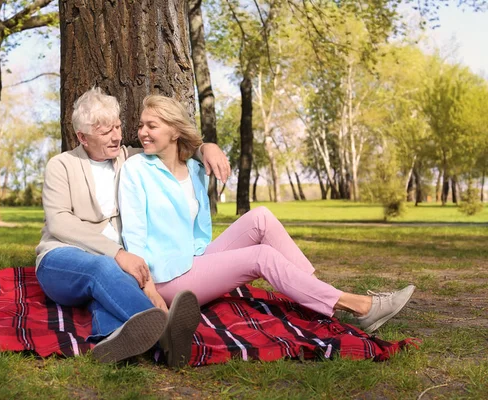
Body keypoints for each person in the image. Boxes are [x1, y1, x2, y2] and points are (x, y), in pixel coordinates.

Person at [118, 95, 416, 334]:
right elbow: (134, 236)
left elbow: (197, 229)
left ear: (174, 131)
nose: (142, 132)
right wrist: (148, 288)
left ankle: (319, 295)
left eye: (151, 126)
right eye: (142, 125)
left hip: (194, 259)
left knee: (260, 216)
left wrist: (208, 146)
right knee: (261, 256)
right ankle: (361, 306)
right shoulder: (136, 169)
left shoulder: (195, 170)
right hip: (166, 278)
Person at [35, 88, 231, 367]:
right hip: (60, 260)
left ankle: (110, 341)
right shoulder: (62, 165)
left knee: (108, 287)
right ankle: (168, 335)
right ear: (82, 137)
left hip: (112, 266)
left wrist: (206, 147)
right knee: (103, 269)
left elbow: (175, 149)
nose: (116, 136)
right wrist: (117, 253)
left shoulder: (129, 158)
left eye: (117, 126)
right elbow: (59, 222)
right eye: (105, 132)